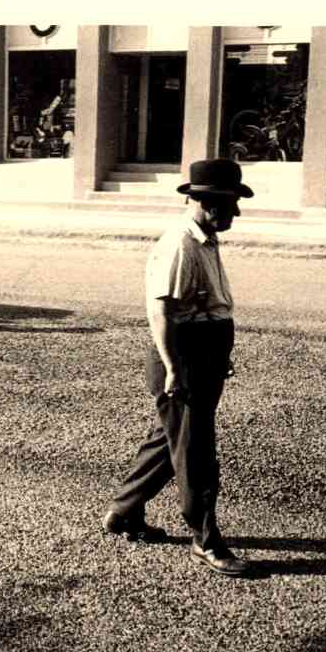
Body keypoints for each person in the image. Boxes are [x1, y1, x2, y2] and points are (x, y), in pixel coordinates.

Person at [102, 158, 254, 578]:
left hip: (202, 350)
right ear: (205, 202)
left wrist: (218, 353)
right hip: (183, 353)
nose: (236, 214)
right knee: (195, 448)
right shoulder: (180, 245)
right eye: (231, 204)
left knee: (170, 437)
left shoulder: (205, 239)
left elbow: (204, 304)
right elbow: (161, 312)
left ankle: (124, 510)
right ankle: (206, 539)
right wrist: (172, 366)